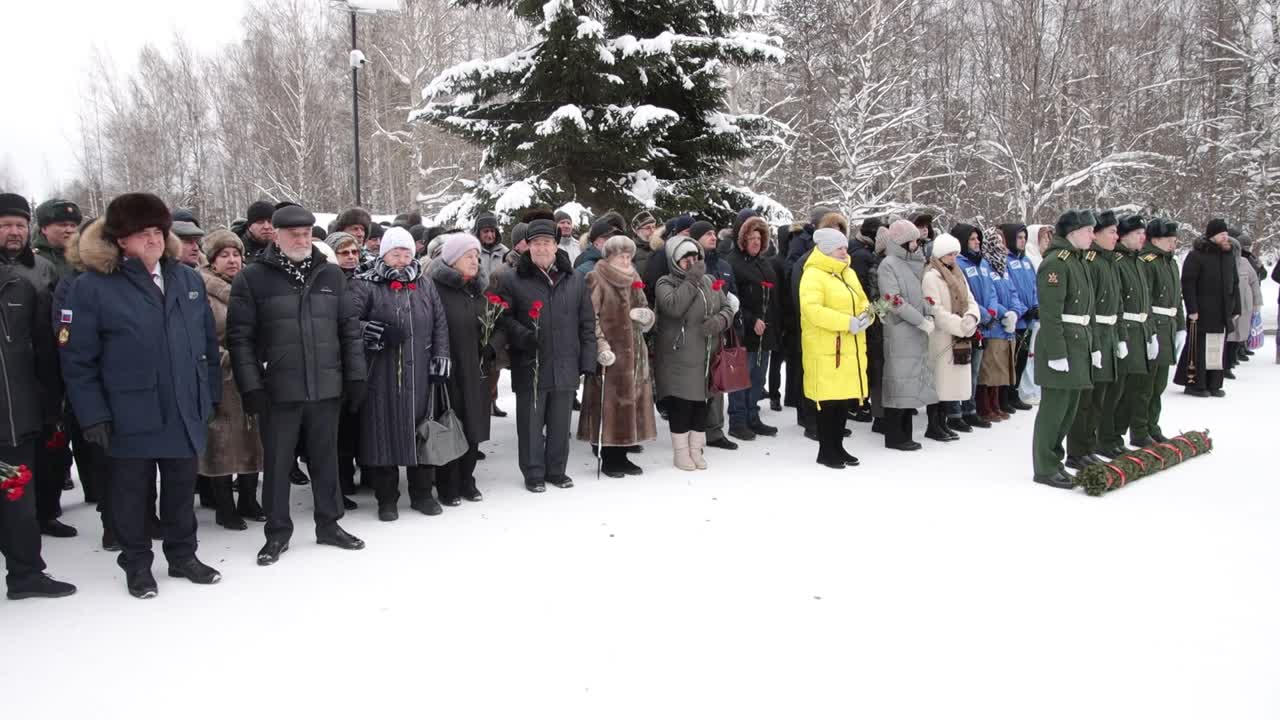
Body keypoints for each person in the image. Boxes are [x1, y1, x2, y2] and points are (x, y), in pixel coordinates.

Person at [61, 193, 222, 597]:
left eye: (157, 231)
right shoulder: (92, 287)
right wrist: (93, 415)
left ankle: (183, 555)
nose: (152, 240)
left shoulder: (186, 279)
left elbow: (205, 344)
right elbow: (78, 361)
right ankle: (136, 563)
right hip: (128, 412)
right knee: (131, 496)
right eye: (141, 234)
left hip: (184, 407)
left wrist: (210, 396)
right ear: (120, 240)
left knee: (181, 490)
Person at [227, 203, 369, 566]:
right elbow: (240, 338)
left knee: (326, 459)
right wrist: (251, 387)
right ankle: (277, 532)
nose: (302, 239)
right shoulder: (253, 278)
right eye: (294, 233)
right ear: (276, 234)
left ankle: (329, 524)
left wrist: (355, 375)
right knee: (277, 464)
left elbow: (349, 332)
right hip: (279, 389)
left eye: (307, 233)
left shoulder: (330, 275)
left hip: (325, 385)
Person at [348, 227, 451, 521]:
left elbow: (439, 323)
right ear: (384, 254)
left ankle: (422, 494)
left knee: (422, 433)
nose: (403, 259)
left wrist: (441, 358)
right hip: (381, 376)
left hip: (420, 374)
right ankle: (387, 499)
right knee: (384, 436)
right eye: (396, 253)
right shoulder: (365, 284)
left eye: (407, 253)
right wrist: (375, 331)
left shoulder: (425, 284)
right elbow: (348, 323)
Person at [0, 212, 75, 599]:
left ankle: (25, 574)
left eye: (18, 224)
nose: (13, 231)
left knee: (16, 499)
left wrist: (51, 402)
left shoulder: (35, 277)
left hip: (14, 417)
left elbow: (48, 346)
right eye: (4, 224)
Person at [493, 216, 596, 492]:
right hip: (531, 363)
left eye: (546, 243)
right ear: (527, 246)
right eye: (535, 243)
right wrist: (522, 335)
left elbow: (587, 323)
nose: (541, 248)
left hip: (565, 363)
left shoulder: (574, 279)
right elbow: (502, 317)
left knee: (560, 423)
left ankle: (556, 470)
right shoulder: (513, 279)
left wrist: (587, 360)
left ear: (555, 245)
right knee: (530, 423)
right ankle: (533, 472)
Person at [196, 230, 266, 531]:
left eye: (236, 254)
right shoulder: (201, 291)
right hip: (221, 375)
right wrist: (230, 358)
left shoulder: (250, 286)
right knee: (222, 442)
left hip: (252, 373)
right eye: (224, 255)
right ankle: (224, 507)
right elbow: (201, 336)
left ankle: (249, 498)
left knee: (254, 438)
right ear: (212, 261)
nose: (232, 260)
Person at [577, 235, 658, 476]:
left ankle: (622, 454)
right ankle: (608, 456)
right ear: (609, 256)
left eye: (628, 256)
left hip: (634, 352)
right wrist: (601, 347)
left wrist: (646, 317)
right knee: (608, 405)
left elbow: (643, 305)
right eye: (620, 256)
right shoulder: (596, 277)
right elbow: (590, 318)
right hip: (610, 354)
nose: (625, 260)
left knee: (630, 403)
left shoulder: (634, 276)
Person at [655, 235, 735, 471]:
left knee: (702, 403)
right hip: (678, 357)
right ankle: (681, 453)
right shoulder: (665, 283)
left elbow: (727, 307)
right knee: (682, 404)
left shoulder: (710, 280)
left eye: (695, 257)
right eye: (685, 259)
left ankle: (695, 449)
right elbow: (673, 307)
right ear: (674, 261)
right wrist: (691, 280)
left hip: (707, 355)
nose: (692, 262)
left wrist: (720, 321)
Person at [1030, 210, 1096, 489]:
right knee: (1054, 409)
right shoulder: (1057, 263)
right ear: (1073, 232)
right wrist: (1057, 354)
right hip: (1062, 344)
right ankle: (1045, 466)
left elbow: (1085, 308)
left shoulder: (1078, 261)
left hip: (1078, 342)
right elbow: (1051, 314)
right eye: (1088, 230)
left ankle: (1055, 462)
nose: (1093, 235)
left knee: (1068, 409)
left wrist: (1092, 347)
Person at [798, 227, 871, 469]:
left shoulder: (847, 272)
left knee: (841, 402)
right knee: (828, 403)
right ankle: (826, 451)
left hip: (848, 348)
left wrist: (866, 315)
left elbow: (862, 299)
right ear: (827, 249)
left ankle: (838, 446)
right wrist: (846, 322)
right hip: (827, 349)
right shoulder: (813, 275)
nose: (844, 251)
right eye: (840, 247)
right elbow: (813, 310)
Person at [428, 233, 492, 503]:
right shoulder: (434, 288)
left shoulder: (478, 289)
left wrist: (492, 344)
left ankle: (468, 479)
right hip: (449, 370)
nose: (475, 261)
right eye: (469, 256)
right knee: (450, 425)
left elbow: (493, 321)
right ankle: (447, 483)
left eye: (477, 256)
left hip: (476, 369)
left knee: (473, 425)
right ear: (453, 260)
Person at [1065, 210, 1121, 468]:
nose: (1116, 237)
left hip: (1107, 335)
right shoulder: (1091, 261)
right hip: (1092, 334)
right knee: (1086, 398)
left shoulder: (1109, 261)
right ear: (1095, 235)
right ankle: (1078, 450)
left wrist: (1118, 337)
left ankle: (1089, 445)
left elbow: (1116, 303)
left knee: (1101, 397)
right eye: (1111, 232)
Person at [875, 219, 937, 451]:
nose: (917, 244)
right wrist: (919, 320)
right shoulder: (889, 265)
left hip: (915, 332)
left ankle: (905, 433)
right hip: (900, 331)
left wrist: (928, 313)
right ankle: (894, 436)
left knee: (910, 383)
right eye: (913, 240)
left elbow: (920, 297)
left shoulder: (914, 265)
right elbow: (893, 300)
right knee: (898, 382)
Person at [1098, 215, 1154, 454]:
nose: (1143, 238)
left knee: (1133, 390)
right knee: (1116, 391)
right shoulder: (1118, 261)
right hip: (1123, 332)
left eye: (1144, 233)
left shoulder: (1138, 262)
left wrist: (1150, 333)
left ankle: (1117, 436)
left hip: (1138, 331)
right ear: (1124, 236)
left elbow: (1146, 301)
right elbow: (1117, 302)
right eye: (1137, 234)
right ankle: (1107, 438)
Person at [921, 233, 981, 441]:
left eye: (956, 254)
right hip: (941, 337)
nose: (954, 258)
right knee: (938, 382)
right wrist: (960, 326)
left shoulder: (958, 274)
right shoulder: (931, 276)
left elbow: (970, 300)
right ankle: (933, 424)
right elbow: (934, 310)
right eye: (950, 254)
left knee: (950, 385)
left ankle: (944, 421)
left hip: (959, 336)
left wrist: (972, 318)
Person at [1129, 219, 1184, 444]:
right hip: (1154, 327)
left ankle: (1152, 424)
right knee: (1145, 386)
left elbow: (1177, 298)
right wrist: (1150, 331)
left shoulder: (1170, 262)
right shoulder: (1148, 261)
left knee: (1159, 384)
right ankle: (1140, 430)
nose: (1174, 243)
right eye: (1169, 239)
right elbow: (1145, 300)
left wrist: (1180, 326)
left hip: (1168, 326)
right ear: (1156, 240)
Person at [726, 216, 780, 441]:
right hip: (744, 332)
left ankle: (752, 415)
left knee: (758, 378)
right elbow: (730, 299)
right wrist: (750, 319)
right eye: (751, 237)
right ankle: (738, 420)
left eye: (759, 237)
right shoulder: (732, 262)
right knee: (742, 377)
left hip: (765, 332)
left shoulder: (764, 262)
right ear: (742, 239)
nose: (756, 242)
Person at [1173, 219, 1240, 397]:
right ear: (1212, 236)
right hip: (1202, 312)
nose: (1226, 237)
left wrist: (1236, 308)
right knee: (1199, 348)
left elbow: (1235, 283)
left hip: (1222, 312)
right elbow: (1188, 284)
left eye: (1226, 234)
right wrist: (1192, 308)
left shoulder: (1228, 255)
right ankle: (1195, 384)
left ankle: (1214, 383)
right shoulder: (1197, 255)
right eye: (1222, 234)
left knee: (1217, 349)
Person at [326, 231, 365, 508]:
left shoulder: (366, 280)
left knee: (356, 424)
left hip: (363, 362)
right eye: (344, 253)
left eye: (354, 252)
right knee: (336, 429)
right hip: (333, 363)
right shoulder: (327, 283)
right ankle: (339, 482)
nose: (351, 258)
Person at [975, 228, 1026, 423]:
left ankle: (996, 403)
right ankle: (985, 405)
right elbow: (991, 295)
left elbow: (1013, 292)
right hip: (993, 325)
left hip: (1007, 326)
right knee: (989, 370)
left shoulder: (1003, 267)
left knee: (1002, 369)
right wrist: (1004, 313)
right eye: (998, 242)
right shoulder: (986, 265)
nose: (1002, 245)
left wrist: (1016, 312)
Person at [952, 222, 995, 429]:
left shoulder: (984, 263)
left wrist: (993, 310)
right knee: (962, 370)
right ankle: (956, 411)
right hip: (969, 321)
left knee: (975, 371)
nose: (977, 242)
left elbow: (991, 290)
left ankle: (971, 408)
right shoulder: (958, 263)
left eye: (978, 238)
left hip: (985, 323)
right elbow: (965, 295)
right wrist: (984, 314)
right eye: (972, 239)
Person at [999, 223, 1037, 413]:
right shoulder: (1005, 260)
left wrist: (1037, 305)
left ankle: (1015, 392)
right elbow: (1009, 289)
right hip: (1016, 318)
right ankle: (1006, 395)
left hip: (1029, 319)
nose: (1022, 241)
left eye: (1024, 238)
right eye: (1019, 238)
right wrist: (1022, 310)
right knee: (1011, 359)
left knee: (1022, 357)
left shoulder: (1027, 261)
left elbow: (1034, 285)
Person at [1224, 236, 1258, 379]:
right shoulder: (1221, 262)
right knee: (1228, 336)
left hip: (1244, 305)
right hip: (1227, 305)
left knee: (1239, 335)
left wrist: (1257, 302)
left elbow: (1254, 281)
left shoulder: (1244, 262)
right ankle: (1225, 364)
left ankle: (1231, 361)